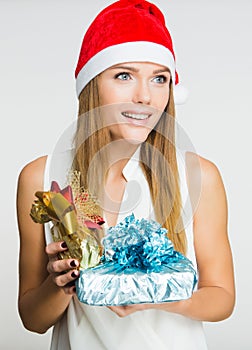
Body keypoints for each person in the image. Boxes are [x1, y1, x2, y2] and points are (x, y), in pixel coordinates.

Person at [16, 1, 235, 349]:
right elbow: (32, 318)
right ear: (92, 86)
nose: (144, 96)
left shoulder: (200, 176)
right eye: (124, 75)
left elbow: (222, 297)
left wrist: (159, 296)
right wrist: (62, 284)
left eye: (159, 79)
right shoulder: (41, 179)